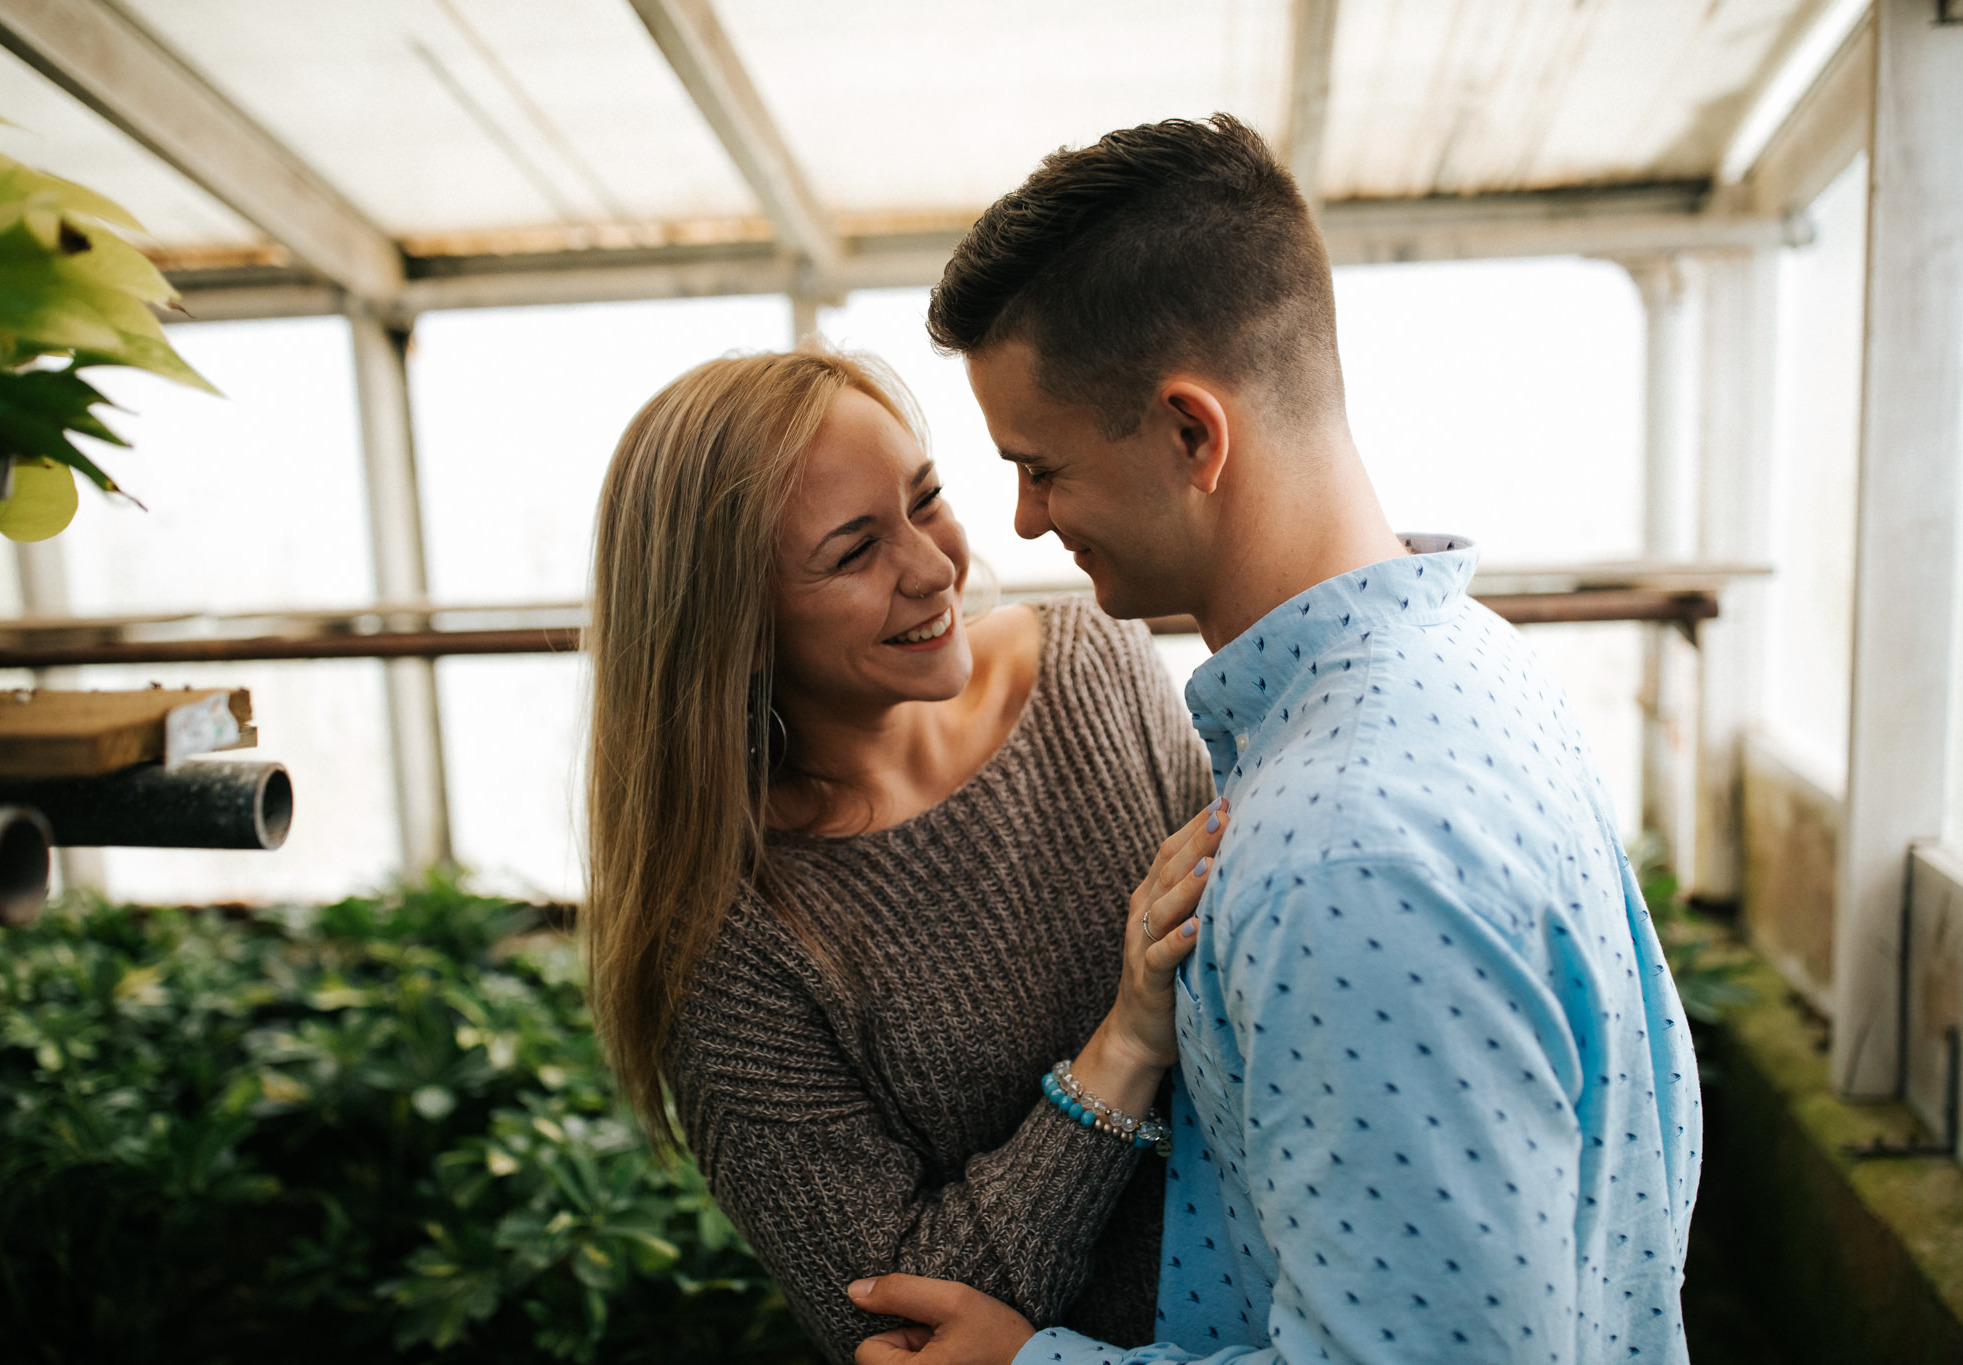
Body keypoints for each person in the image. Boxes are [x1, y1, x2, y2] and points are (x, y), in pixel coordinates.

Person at [846, 115, 1702, 1364]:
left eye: (1041, 467)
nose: (1021, 523)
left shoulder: (1342, 855)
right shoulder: (1468, 657)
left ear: (1194, 434)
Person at [582, 346, 1230, 1363]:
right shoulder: (723, 941)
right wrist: (1123, 1050)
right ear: (737, 630)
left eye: (924, 499)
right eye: (853, 553)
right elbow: (895, 1335)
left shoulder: (1091, 663)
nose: (935, 568)